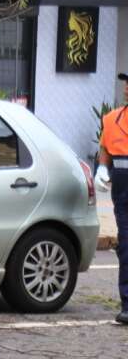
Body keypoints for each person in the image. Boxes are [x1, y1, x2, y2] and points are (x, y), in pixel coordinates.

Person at [95, 72, 128, 324]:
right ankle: (127, 304)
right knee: (127, 245)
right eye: (126, 83)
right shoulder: (111, 119)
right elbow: (105, 149)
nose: (126, 88)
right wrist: (102, 169)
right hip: (122, 187)